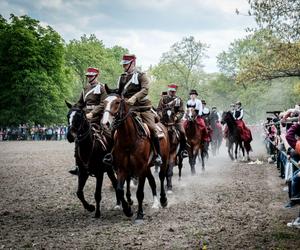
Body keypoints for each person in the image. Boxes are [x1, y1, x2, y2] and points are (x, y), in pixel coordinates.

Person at [103, 54, 162, 166]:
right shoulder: (122, 77)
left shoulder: (141, 75)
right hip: (128, 108)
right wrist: (111, 92)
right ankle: (110, 155)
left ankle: (157, 155)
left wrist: (134, 98)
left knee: (153, 129)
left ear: (133, 64)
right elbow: (119, 92)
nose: (124, 66)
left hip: (142, 108)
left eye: (126, 64)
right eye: (123, 64)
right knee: (112, 130)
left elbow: (145, 89)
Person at [69, 67, 107, 175]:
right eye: (88, 76)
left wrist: (93, 113)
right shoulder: (85, 88)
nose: (89, 78)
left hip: (98, 117)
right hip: (85, 118)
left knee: (108, 133)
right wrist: (74, 108)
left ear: (96, 76)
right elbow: (80, 103)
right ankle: (78, 164)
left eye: (91, 76)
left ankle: (110, 159)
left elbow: (103, 103)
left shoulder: (102, 88)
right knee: (78, 138)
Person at [157, 84, 188, 157]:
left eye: (173, 91)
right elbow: (159, 109)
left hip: (175, 121)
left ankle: (183, 150)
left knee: (183, 132)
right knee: (156, 132)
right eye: (170, 91)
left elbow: (181, 111)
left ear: (175, 91)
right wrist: (161, 115)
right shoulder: (163, 99)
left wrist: (176, 117)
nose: (172, 93)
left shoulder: (178, 99)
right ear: (168, 91)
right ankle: (156, 152)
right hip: (164, 120)